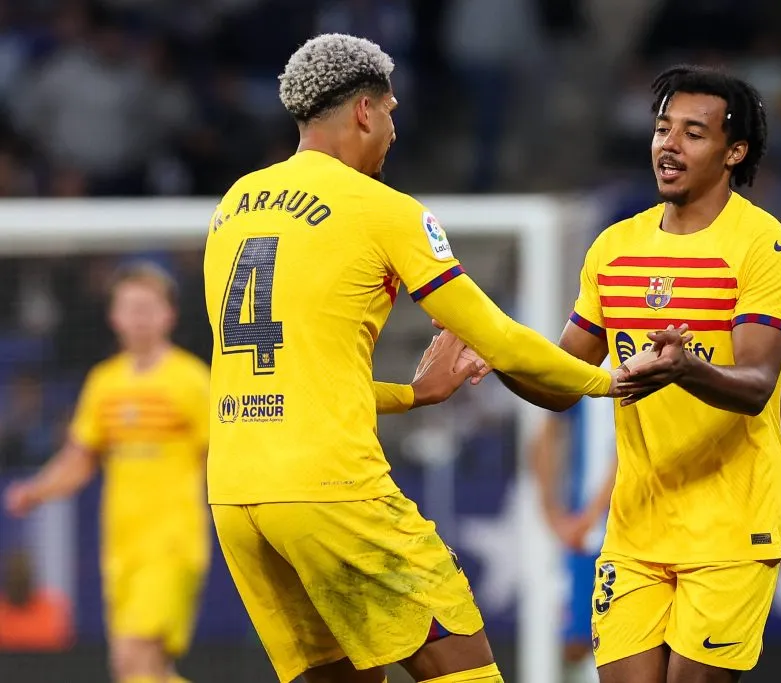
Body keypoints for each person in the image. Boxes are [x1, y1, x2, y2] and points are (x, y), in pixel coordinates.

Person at [202, 34, 674, 683]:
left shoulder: (234, 206)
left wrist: (414, 393)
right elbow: (495, 336)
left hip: (236, 495)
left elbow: (286, 375)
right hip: (330, 489)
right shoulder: (382, 208)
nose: (394, 132)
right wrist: (608, 379)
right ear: (364, 110)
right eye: (390, 112)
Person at [455, 65, 781, 683]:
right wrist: (503, 354)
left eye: (693, 133)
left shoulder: (766, 249)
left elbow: (757, 386)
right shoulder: (615, 249)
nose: (669, 144)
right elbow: (564, 383)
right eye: (663, 128)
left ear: (734, 152)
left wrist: (685, 368)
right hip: (635, 526)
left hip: (729, 527)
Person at [3, 263, 210, 683]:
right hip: (120, 547)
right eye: (130, 308)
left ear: (169, 314)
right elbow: (79, 459)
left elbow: (218, 457)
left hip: (172, 541)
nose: (139, 318)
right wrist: (37, 491)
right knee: (140, 668)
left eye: (148, 308)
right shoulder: (104, 382)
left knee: (134, 658)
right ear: (114, 316)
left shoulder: (191, 380)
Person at [529, 395, 616, 683]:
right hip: (585, 530)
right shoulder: (584, 376)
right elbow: (546, 434)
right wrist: (550, 509)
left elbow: (630, 450)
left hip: (626, 525)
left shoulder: (638, 371)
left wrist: (590, 514)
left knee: (623, 639)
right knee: (578, 641)